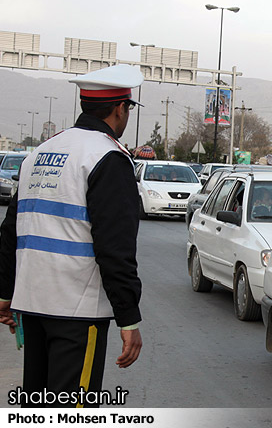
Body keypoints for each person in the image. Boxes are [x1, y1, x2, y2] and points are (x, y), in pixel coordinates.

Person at [0, 64, 144, 408]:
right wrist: (129, 318)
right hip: (78, 314)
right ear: (120, 108)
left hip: (33, 306)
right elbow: (115, 249)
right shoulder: (107, 157)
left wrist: (5, 293)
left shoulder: (40, 153)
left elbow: (10, 231)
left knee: (39, 407)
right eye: (129, 108)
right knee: (71, 411)